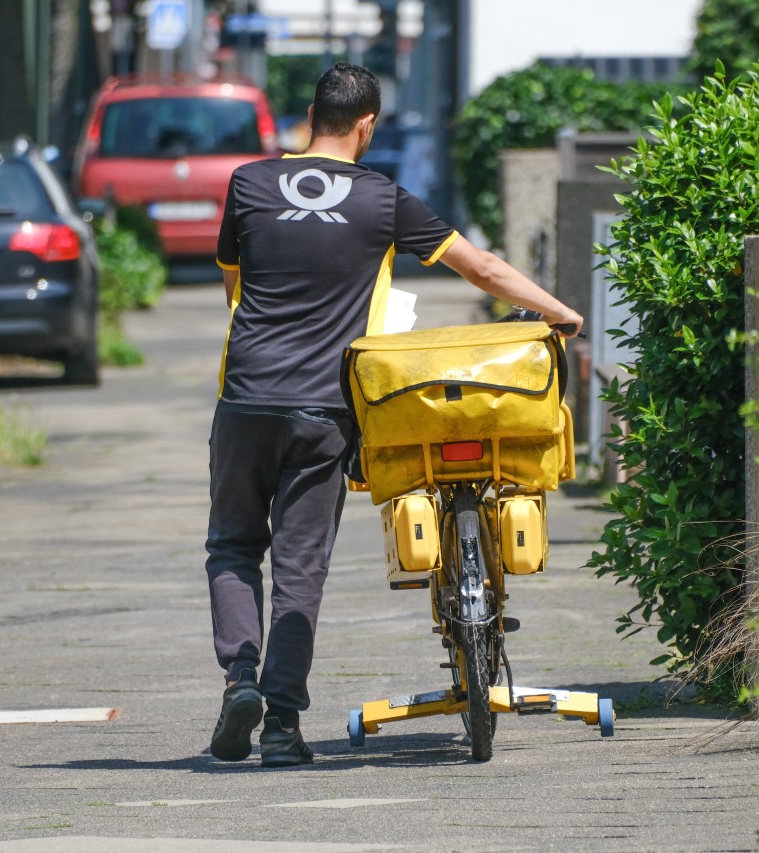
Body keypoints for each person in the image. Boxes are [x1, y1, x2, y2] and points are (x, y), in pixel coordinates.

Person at [207, 63, 583, 767]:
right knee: (299, 565)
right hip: (325, 406)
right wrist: (557, 312)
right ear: (367, 125)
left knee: (232, 546)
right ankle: (282, 726)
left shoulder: (248, 184)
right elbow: (484, 270)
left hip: (247, 396)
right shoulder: (381, 199)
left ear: (309, 118)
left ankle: (239, 681)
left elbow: (234, 279)